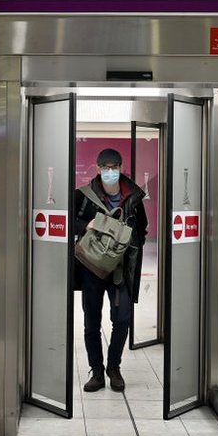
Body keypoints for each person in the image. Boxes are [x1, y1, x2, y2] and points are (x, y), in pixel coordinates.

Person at [73, 148, 148, 392]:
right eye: (105, 167)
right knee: (91, 322)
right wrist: (87, 225)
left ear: (121, 168)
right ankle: (96, 372)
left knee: (122, 319)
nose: (110, 171)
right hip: (92, 269)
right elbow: (69, 220)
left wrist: (128, 249)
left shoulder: (133, 197)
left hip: (121, 272)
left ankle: (113, 367)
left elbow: (143, 227)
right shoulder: (83, 196)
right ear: (97, 169)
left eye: (114, 166)